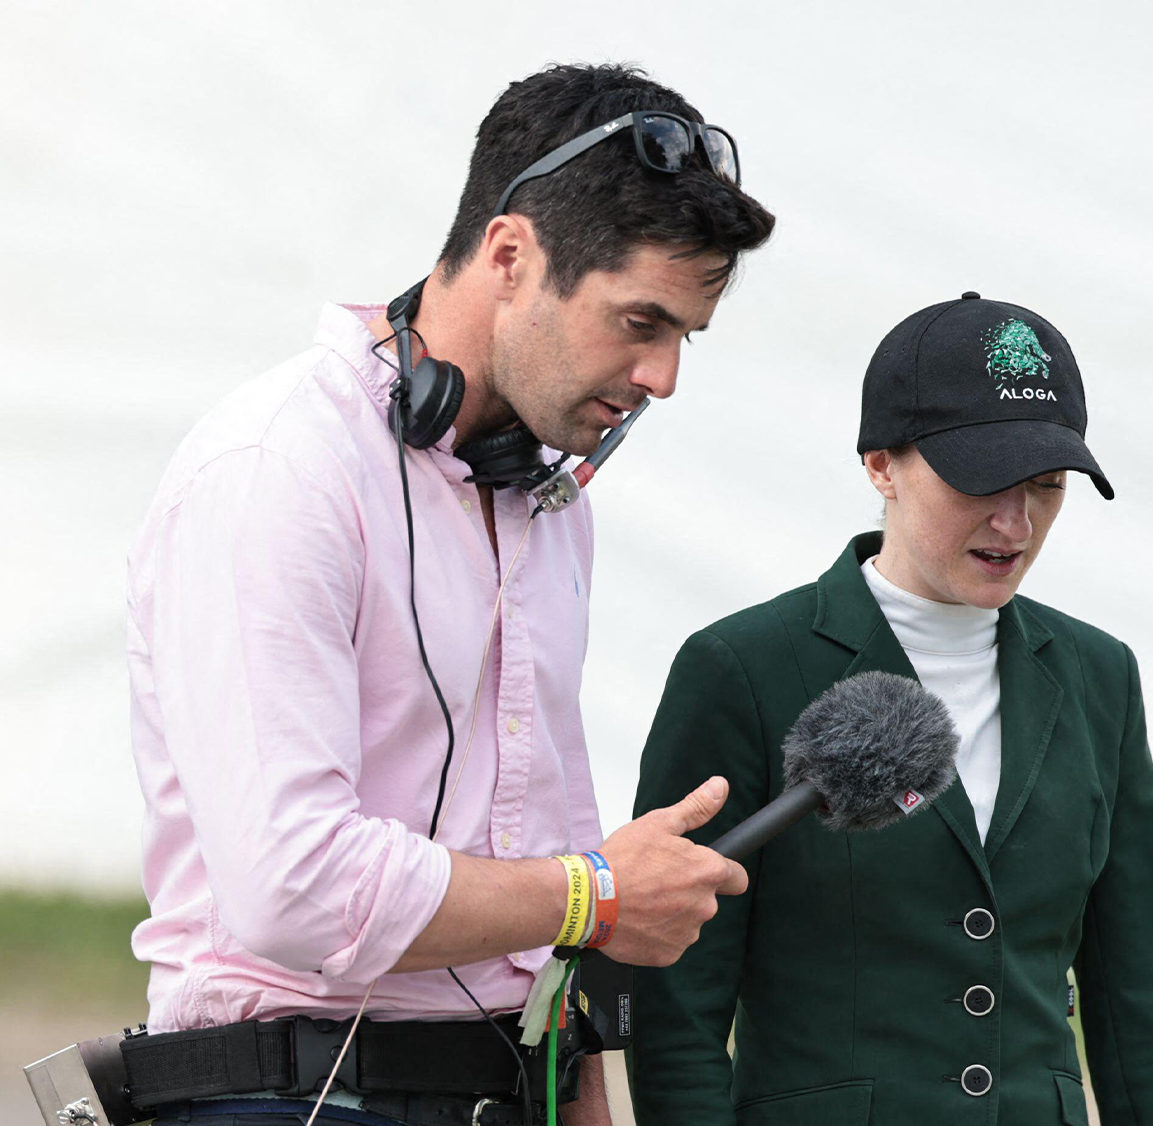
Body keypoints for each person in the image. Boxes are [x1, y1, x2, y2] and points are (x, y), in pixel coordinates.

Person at [123, 64, 774, 1126]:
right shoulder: (275, 469)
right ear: (510, 256)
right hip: (283, 1098)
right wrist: (595, 894)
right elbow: (292, 883)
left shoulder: (548, 501)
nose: (662, 377)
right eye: (639, 322)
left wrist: (581, 1090)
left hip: (505, 1088)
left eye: (681, 338)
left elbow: (552, 840)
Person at [628, 293, 1153, 1124]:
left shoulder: (1099, 675)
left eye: (1047, 485)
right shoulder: (742, 668)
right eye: (982, 481)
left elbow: (1141, 995)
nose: (1016, 521)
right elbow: (677, 1009)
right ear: (880, 464)